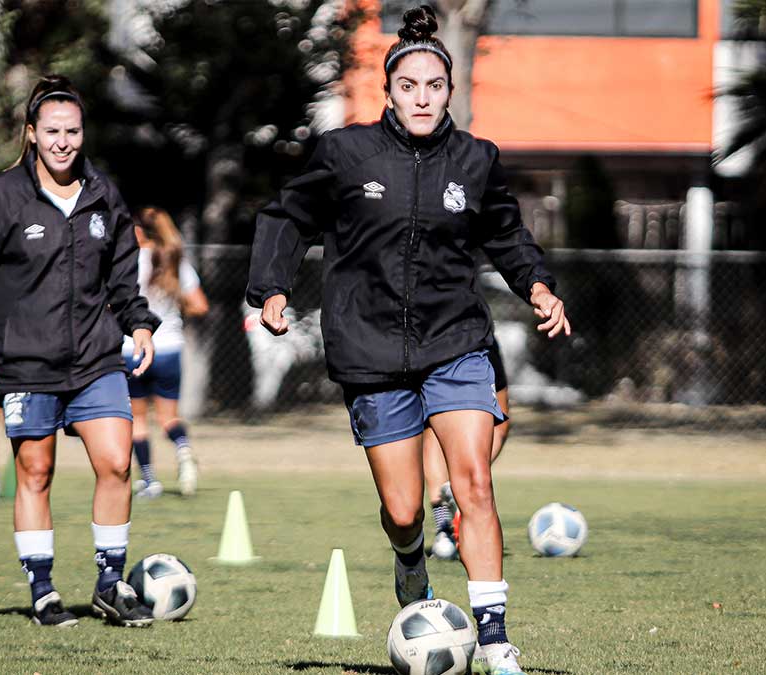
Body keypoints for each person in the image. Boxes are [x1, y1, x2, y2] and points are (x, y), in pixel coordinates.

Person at [246, 7, 570, 674]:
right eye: (409, 86)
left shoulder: (475, 160)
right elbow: (287, 217)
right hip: (369, 349)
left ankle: (495, 638)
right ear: (388, 91)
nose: (422, 98)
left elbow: (508, 235)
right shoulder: (345, 153)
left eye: (435, 86)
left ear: (450, 92)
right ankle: (410, 559)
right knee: (402, 510)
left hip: (455, 341)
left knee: (474, 482)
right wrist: (272, 289)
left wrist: (537, 284)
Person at [0, 74, 161, 629]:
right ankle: (43, 592)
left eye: (73, 132)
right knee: (35, 471)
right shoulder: (2, 196)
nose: (63, 142)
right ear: (33, 134)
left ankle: (110, 584)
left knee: (117, 462)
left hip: (96, 358)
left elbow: (123, 277)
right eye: (53, 131)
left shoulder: (103, 194)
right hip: (26, 361)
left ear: (83, 134)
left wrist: (138, 325)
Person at [123, 207, 208, 499]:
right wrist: (174, 305)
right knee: (168, 418)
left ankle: (149, 480)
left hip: (133, 348)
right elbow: (200, 306)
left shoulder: (129, 262)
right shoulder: (176, 262)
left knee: (137, 420)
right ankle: (184, 450)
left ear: (138, 231)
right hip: (170, 348)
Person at [424, 340, 509, 561]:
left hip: (421, 339)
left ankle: (444, 530)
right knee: (499, 420)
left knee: (431, 424)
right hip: (470, 337)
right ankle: (460, 482)